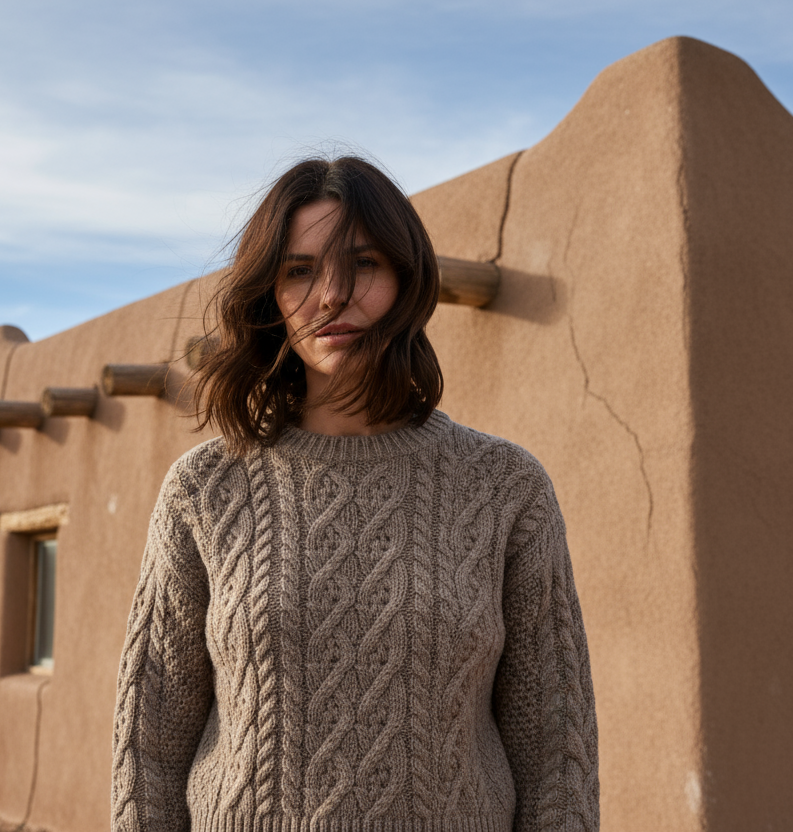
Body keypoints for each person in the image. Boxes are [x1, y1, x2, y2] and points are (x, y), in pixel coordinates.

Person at [111, 156, 599, 832]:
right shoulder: (205, 489)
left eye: (363, 264)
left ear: (406, 280)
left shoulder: (504, 487)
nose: (331, 296)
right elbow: (151, 744)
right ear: (269, 296)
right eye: (300, 270)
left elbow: (554, 750)